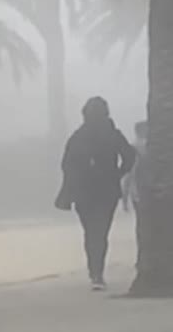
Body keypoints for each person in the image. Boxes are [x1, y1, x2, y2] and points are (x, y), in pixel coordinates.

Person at [57, 97, 136, 291]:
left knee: (91, 232)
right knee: (100, 232)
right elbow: (130, 156)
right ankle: (97, 272)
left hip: (84, 191)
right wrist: (117, 174)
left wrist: (71, 187)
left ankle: (95, 271)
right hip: (106, 190)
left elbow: (67, 165)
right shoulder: (113, 135)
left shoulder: (78, 137)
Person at [121, 121, 148, 214]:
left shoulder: (133, 147)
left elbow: (129, 175)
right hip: (151, 191)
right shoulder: (153, 147)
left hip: (137, 192)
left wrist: (125, 199)